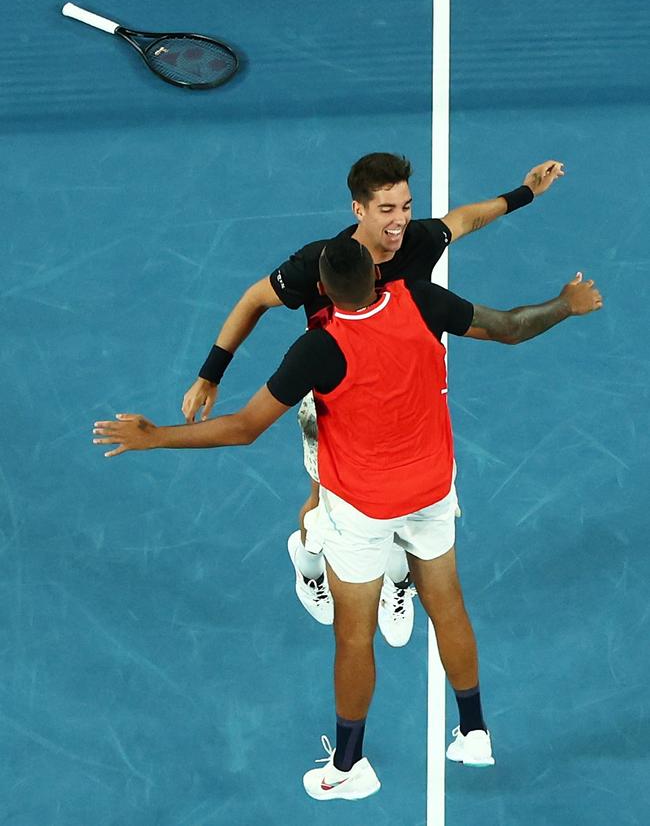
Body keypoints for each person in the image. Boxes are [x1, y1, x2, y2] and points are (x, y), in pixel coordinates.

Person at [92, 238, 602, 800]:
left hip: (361, 509)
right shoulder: (422, 300)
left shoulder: (319, 347)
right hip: (431, 489)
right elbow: (509, 326)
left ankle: (350, 764)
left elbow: (243, 429)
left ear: (326, 292)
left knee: (354, 637)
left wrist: (156, 437)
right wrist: (564, 303)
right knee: (449, 605)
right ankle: (476, 729)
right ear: (376, 276)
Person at [180, 152, 566, 647]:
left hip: (409, 396)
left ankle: (396, 581)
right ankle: (309, 562)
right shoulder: (321, 262)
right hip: (337, 407)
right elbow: (255, 298)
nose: (400, 220)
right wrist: (211, 374)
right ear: (358, 209)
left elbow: (463, 219)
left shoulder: (417, 240)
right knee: (325, 504)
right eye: (386, 209)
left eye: (405, 206)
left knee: (414, 507)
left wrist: (526, 191)